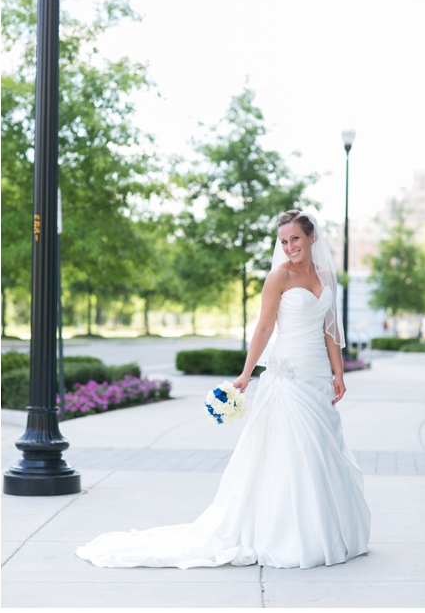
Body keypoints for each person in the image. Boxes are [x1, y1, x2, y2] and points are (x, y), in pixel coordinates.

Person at [77, 210, 371, 569]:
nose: (290, 246)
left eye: (295, 238)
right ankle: (290, 536)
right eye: (283, 241)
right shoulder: (278, 276)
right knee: (294, 451)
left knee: (324, 450)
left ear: (311, 237)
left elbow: (330, 330)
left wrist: (339, 374)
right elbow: (264, 328)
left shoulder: (327, 276)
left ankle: (330, 531)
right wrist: (246, 374)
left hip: (317, 377)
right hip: (286, 377)